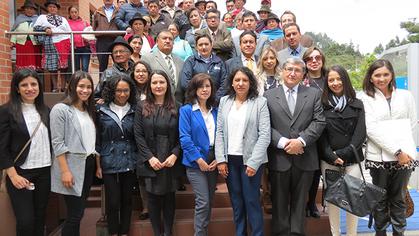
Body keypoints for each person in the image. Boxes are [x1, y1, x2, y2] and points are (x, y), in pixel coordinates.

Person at [264, 57, 326, 236]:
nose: (292, 73)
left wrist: (301, 141)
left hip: (305, 157)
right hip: (279, 158)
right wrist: (283, 143)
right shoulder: (269, 95)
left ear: (303, 74)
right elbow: (265, 125)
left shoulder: (313, 94)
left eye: (297, 70)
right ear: (282, 71)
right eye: (289, 69)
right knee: (279, 203)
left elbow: (319, 121)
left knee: (300, 204)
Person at [359, 59, 417, 236]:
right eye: (377, 75)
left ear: (392, 75)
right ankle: (381, 232)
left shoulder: (406, 95)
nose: (381, 78)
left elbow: (412, 123)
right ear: (370, 77)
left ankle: (399, 233)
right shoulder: (364, 97)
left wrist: (404, 152)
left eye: (385, 74)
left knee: (399, 198)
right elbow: (371, 128)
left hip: (405, 157)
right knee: (380, 198)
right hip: (378, 158)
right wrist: (396, 151)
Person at [215, 67, 271, 236]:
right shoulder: (224, 101)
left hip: (251, 161)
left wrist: (254, 162)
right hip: (230, 160)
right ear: (232, 82)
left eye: (245, 80)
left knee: (252, 200)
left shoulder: (259, 102)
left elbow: (265, 135)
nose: (240, 83)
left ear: (250, 83)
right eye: (237, 80)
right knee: (237, 202)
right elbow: (220, 132)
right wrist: (220, 159)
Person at [0, 69, 51, 236]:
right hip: (21, 173)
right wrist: (13, 175)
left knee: (40, 217)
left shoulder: (45, 110)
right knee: (25, 221)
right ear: (17, 88)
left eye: (34, 84)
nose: (30, 88)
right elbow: (2, 147)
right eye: (24, 85)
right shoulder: (6, 111)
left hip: (44, 172)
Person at [318, 65, 366, 236]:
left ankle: (352, 234)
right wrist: (330, 155)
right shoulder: (322, 105)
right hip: (329, 160)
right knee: (333, 201)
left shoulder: (357, 104)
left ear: (345, 80)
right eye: (331, 80)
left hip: (353, 159)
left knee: (352, 200)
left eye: (339, 79)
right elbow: (320, 134)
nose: (335, 83)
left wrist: (343, 154)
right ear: (327, 82)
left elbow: (360, 135)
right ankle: (335, 233)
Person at [134, 70, 181, 236]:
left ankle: (168, 232)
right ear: (149, 85)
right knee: (152, 198)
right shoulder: (141, 106)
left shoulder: (177, 106)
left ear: (167, 84)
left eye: (162, 82)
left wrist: (175, 154)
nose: (158, 86)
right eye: (154, 83)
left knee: (169, 197)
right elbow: (138, 135)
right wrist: (149, 157)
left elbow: (183, 135)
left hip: (170, 158)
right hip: (150, 158)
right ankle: (157, 233)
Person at [50, 71, 97, 236]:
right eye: (81, 86)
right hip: (71, 166)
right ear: (71, 86)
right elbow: (57, 143)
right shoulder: (61, 109)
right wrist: (65, 171)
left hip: (88, 164)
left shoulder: (88, 109)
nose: (85, 90)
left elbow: (91, 139)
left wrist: (97, 164)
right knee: (75, 214)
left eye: (89, 87)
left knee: (78, 213)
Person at [95, 74, 138, 236]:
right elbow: (98, 139)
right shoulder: (101, 110)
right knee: (112, 202)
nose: (122, 94)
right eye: (118, 90)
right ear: (112, 91)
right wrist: (98, 165)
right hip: (108, 159)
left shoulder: (135, 109)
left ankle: (124, 232)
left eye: (126, 90)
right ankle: (113, 232)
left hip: (129, 158)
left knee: (127, 200)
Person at [179, 73, 218, 236]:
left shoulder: (215, 110)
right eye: (201, 86)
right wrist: (199, 159)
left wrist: (219, 157)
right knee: (203, 201)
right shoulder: (186, 110)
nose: (204, 89)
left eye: (207, 86)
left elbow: (222, 134)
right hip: (195, 162)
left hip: (213, 159)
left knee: (209, 201)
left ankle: (204, 232)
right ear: (194, 89)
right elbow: (185, 138)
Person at [301, 46, 327, 218]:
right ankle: (303, 203)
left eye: (317, 57)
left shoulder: (330, 78)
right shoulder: (301, 80)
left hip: (327, 131)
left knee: (318, 170)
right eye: (309, 59)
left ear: (322, 60)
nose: (314, 61)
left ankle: (312, 203)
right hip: (307, 130)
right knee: (307, 169)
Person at [33, 0, 71, 92]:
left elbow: (69, 31)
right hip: (51, 42)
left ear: (57, 9)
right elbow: (35, 28)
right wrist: (45, 28)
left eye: (54, 7)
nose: (52, 8)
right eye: (50, 7)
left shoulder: (63, 19)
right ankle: (54, 87)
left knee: (64, 67)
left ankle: (62, 88)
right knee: (52, 67)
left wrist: (70, 43)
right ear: (47, 8)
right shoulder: (42, 17)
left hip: (64, 42)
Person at [180, 34, 227, 101]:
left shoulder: (219, 62)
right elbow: (185, 83)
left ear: (211, 45)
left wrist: (215, 98)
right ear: (196, 47)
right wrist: (199, 97)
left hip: (215, 102)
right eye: (200, 45)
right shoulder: (190, 61)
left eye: (206, 44)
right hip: (195, 101)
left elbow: (224, 83)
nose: (204, 47)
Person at [142, 30, 185, 103]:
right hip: (156, 104)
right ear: (157, 41)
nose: (168, 41)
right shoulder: (147, 58)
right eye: (164, 38)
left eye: (170, 39)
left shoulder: (180, 61)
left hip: (178, 104)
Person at [95, 36, 134, 100]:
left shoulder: (136, 70)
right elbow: (96, 96)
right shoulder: (108, 73)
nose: (118, 54)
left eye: (121, 51)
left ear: (129, 53)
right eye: (115, 52)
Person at [10, 1, 41, 71]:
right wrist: (12, 41)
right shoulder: (19, 18)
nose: (29, 10)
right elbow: (15, 31)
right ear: (24, 10)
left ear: (34, 10)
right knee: (23, 66)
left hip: (35, 44)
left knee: (34, 65)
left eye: (31, 9)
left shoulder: (38, 19)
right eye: (27, 8)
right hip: (22, 44)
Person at [92, 0, 119, 74]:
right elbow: (94, 27)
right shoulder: (97, 12)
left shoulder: (118, 11)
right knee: (102, 65)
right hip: (102, 40)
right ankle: (102, 84)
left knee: (119, 63)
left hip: (115, 40)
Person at [67, 5, 91, 72]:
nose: (74, 14)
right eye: (72, 12)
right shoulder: (67, 23)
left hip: (85, 48)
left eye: (75, 12)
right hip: (74, 49)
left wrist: (88, 39)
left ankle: (85, 82)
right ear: (69, 13)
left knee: (85, 67)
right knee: (76, 68)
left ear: (78, 13)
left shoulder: (84, 23)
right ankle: (77, 82)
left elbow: (91, 33)